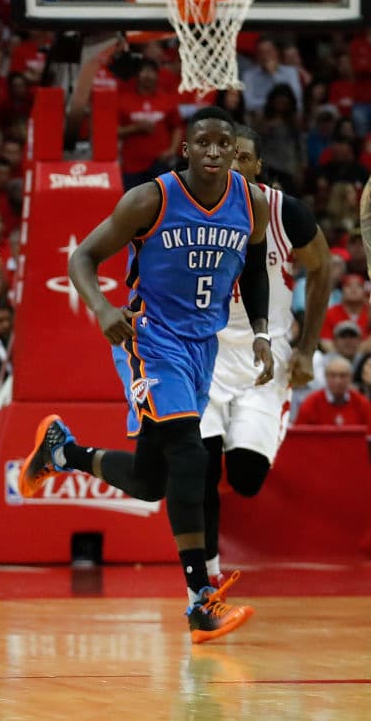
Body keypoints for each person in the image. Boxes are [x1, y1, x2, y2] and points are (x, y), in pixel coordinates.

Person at [18, 107, 272, 644]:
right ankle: (200, 600)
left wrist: (263, 334)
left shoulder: (251, 204)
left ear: (233, 153)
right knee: (190, 451)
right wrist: (103, 310)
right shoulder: (150, 199)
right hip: (151, 339)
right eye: (200, 142)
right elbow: (82, 258)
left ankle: (63, 453)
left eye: (221, 144)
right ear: (185, 149)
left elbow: (252, 271)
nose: (210, 151)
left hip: (203, 347)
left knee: (153, 482)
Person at [199, 125, 331, 585]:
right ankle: (208, 578)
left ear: (257, 167)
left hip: (266, 356)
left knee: (246, 478)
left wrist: (307, 349)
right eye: (225, 156)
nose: (232, 164)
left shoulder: (283, 212)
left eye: (243, 158)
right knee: (200, 465)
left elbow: (324, 267)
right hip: (205, 355)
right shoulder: (187, 206)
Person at [294, 354, 371, 431]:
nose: (338, 381)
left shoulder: (362, 403)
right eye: (333, 375)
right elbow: (299, 436)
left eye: (343, 375)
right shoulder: (311, 403)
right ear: (325, 376)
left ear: (351, 377)